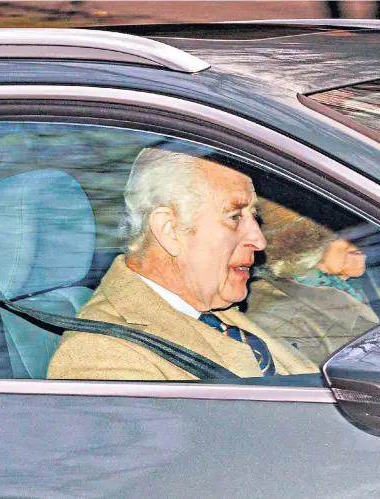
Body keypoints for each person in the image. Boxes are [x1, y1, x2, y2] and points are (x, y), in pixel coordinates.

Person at [46, 147, 317, 380]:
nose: (258, 240)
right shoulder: (102, 358)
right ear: (170, 230)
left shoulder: (214, 313)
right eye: (234, 216)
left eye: (253, 217)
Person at [246, 200, 380, 365]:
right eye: (340, 232)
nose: (358, 240)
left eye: (360, 230)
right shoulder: (279, 315)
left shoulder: (363, 284)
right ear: (303, 246)